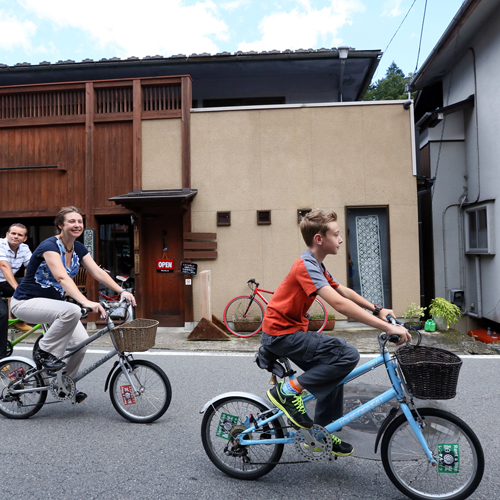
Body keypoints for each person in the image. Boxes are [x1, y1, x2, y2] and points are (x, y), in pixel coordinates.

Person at [261, 209, 410, 457]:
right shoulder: (305, 266)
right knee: (346, 354)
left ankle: (320, 432)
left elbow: (343, 292)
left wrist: (378, 310)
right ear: (319, 239)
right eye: (337, 234)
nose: (341, 240)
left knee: (333, 370)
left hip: (289, 333)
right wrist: (387, 327)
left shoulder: (316, 264)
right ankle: (287, 392)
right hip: (281, 335)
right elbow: (339, 305)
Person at [10, 207, 136, 402]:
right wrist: (85, 301)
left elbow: (97, 272)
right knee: (73, 310)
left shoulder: (77, 247)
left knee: (81, 344)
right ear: (61, 225)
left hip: (54, 307)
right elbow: (61, 277)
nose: (77, 225)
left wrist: (122, 291)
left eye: (79, 221)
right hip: (26, 302)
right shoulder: (49, 246)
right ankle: (43, 351)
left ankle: (62, 384)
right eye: (71, 221)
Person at [0, 223, 33, 359]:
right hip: (6, 281)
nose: (16, 236)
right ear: (7, 235)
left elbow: (31, 266)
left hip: (4, 283)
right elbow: (3, 265)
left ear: (24, 238)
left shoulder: (24, 248)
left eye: (20, 235)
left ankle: (20, 318)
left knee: (36, 290)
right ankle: (1, 358)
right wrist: (18, 289)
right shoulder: (0, 245)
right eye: (13, 233)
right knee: (1, 315)